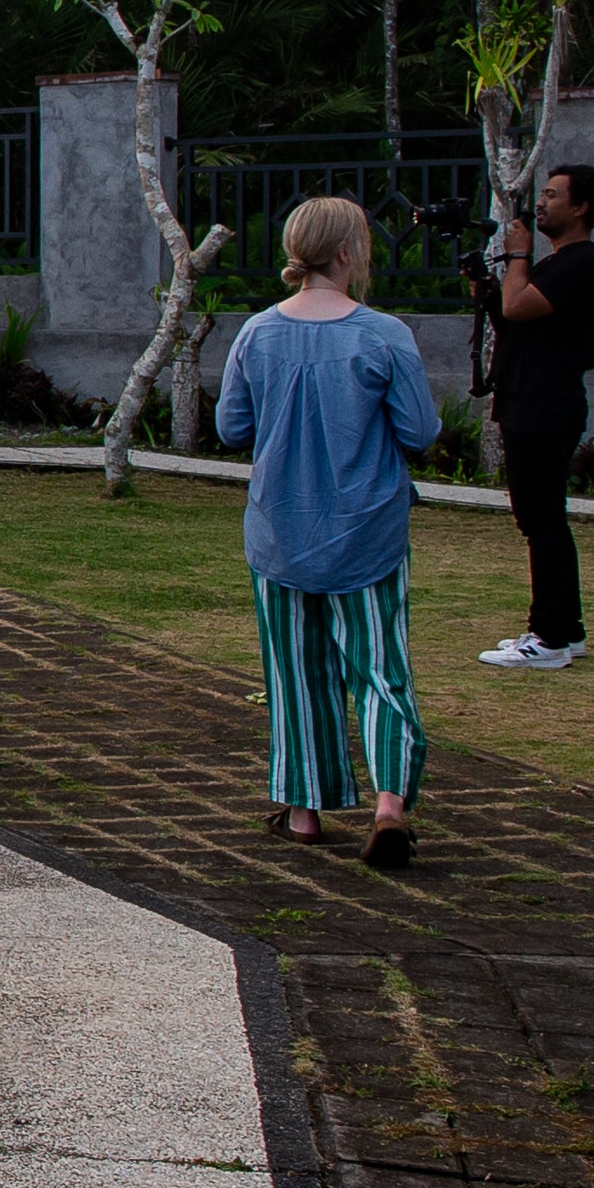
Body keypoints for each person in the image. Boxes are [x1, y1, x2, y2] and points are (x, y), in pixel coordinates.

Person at [213, 195, 440, 868]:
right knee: (381, 671)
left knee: (295, 673)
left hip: (279, 530)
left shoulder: (257, 333)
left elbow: (231, 426)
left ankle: (304, 811)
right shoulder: (384, 335)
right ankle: (389, 805)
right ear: (346, 252)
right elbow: (420, 431)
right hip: (367, 531)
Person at [477, 162, 594, 671]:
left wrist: (517, 256)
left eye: (554, 195)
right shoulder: (561, 264)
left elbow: (518, 309)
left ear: (581, 207)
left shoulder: (580, 263)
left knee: (543, 521)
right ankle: (564, 629)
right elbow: (519, 321)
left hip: (544, 408)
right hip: (532, 402)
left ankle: (550, 637)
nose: (541, 204)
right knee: (541, 519)